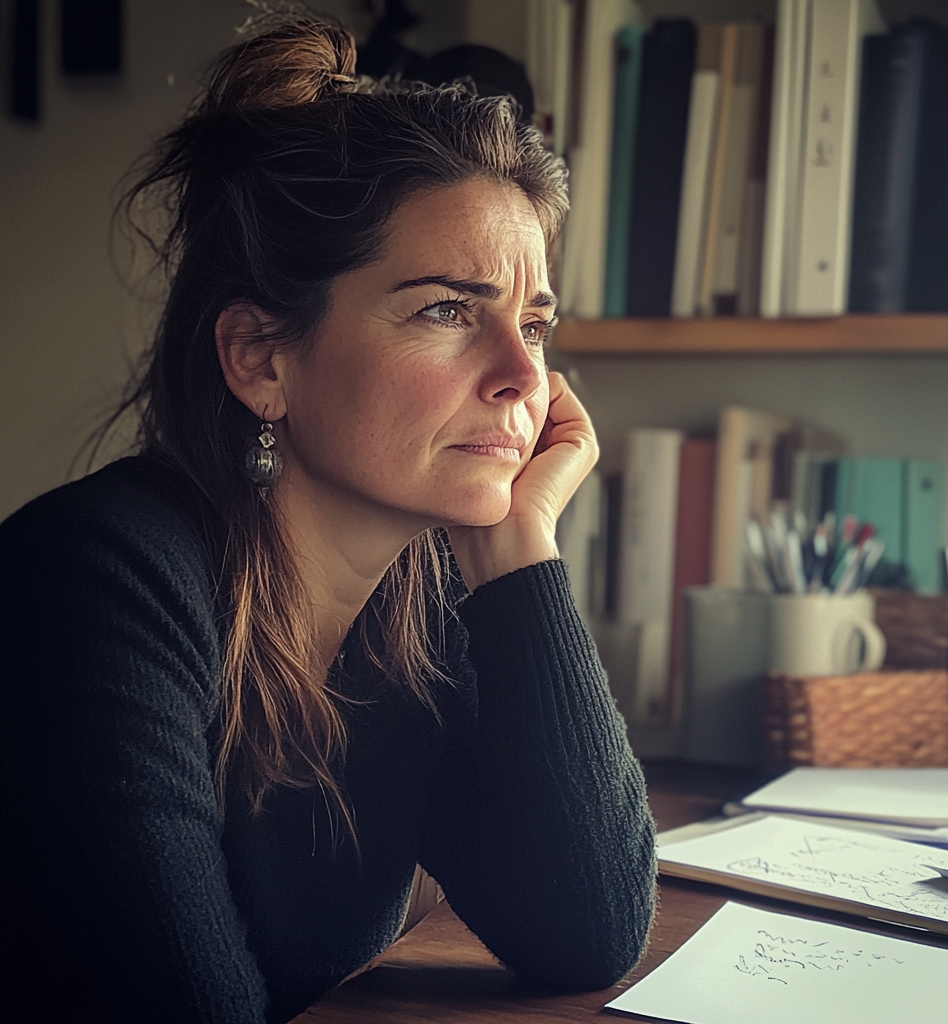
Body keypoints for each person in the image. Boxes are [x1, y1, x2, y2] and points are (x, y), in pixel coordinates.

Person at [0, 15, 656, 1024]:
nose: (526, 377)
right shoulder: (89, 586)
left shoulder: (425, 601)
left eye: (531, 322)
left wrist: (514, 547)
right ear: (261, 358)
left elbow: (587, 932)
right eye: (447, 309)